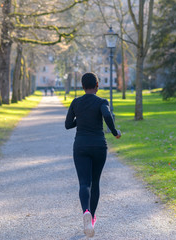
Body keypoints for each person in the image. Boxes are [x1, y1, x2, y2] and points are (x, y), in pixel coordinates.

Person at [65, 72, 121, 238]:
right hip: (98, 146)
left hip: (80, 146)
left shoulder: (76, 102)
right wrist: (114, 132)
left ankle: (86, 212)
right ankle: (92, 218)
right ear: (97, 86)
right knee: (95, 182)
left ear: (82, 86)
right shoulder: (102, 101)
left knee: (84, 183)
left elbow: (68, 125)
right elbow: (106, 114)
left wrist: (81, 119)